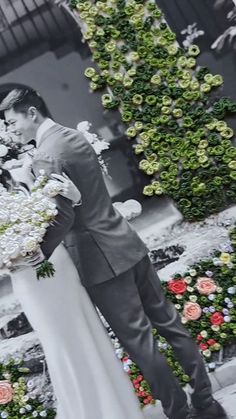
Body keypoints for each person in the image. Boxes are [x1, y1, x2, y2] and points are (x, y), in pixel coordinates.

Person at [0, 88, 228, 419]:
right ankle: (207, 403)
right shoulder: (73, 136)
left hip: (101, 262)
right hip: (126, 242)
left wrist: (38, 252)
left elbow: (63, 216)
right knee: (170, 324)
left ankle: (179, 412)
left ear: (31, 113)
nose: (10, 130)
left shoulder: (45, 157)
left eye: (11, 121)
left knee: (141, 344)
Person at [0, 168, 145, 419]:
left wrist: (38, 242)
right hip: (28, 280)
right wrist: (10, 259)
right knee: (60, 346)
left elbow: (56, 216)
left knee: (87, 331)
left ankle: (119, 410)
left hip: (57, 266)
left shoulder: (21, 180)